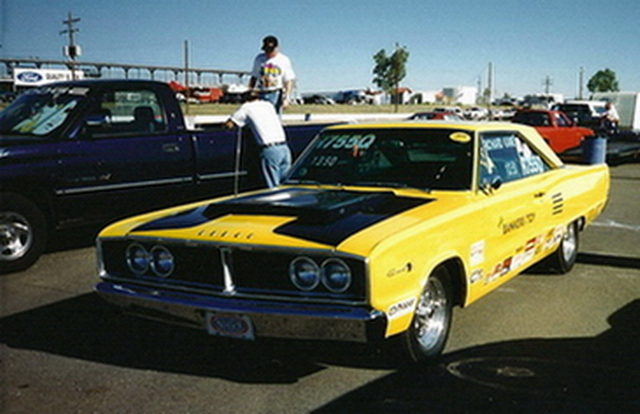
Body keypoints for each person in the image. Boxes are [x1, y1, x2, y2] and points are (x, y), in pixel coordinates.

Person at [225, 90, 291, 188]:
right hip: (284, 148)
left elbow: (229, 124)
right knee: (285, 185)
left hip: (269, 150)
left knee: (272, 187)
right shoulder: (268, 105)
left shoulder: (246, 108)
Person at [248, 35, 296, 113]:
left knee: (274, 117)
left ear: (277, 48)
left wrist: (287, 98)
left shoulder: (283, 60)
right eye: (266, 50)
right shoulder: (259, 59)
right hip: (261, 92)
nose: (268, 52)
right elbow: (254, 76)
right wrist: (250, 91)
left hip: (275, 93)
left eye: (271, 50)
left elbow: (288, 80)